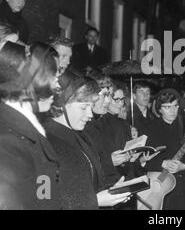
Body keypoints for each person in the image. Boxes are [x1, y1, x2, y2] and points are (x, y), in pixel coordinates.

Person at [43, 71, 131, 209]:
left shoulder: (81, 134)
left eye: (90, 107)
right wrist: (95, 200)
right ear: (62, 104)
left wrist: (111, 190)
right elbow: (44, 201)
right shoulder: (45, 142)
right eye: (84, 107)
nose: (89, 114)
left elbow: (87, 182)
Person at [0, 41, 61, 209]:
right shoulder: (8, 141)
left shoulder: (26, 128)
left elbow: (44, 193)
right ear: (33, 83)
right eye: (54, 78)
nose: (58, 86)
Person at [141, 88, 185, 210]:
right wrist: (162, 163)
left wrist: (184, 166)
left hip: (184, 188)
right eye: (167, 107)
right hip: (160, 188)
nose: (172, 110)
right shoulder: (149, 129)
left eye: (175, 106)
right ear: (159, 109)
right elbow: (141, 160)